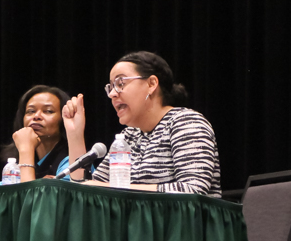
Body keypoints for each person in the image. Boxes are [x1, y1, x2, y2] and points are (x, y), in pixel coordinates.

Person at [62, 51, 221, 197]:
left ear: (151, 84)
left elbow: (193, 190)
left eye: (120, 83)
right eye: (110, 87)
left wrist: (115, 187)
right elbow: (86, 192)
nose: (112, 94)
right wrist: (75, 134)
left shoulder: (186, 122)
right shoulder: (129, 135)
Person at [0, 85, 86, 182]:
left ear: (63, 119)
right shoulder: (12, 167)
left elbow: (29, 196)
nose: (36, 116)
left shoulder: (73, 162)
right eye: (31, 111)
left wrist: (26, 151)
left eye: (48, 111)